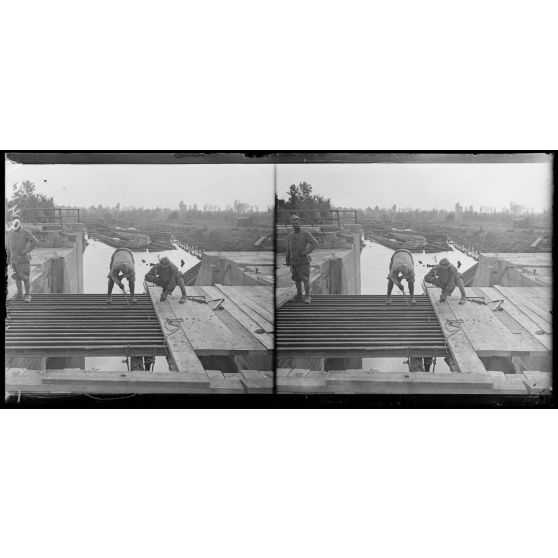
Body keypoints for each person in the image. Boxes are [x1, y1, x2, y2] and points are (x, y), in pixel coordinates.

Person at [285, 215, 319, 304]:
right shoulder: (290, 235)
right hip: (294, 262)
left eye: (297, 223)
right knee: (296, 280)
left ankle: (307, 296)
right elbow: (288, 249)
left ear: (300, 224)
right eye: (293, 224)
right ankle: (299, 296)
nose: (295, 225)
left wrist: (307, 251)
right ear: (291, 225)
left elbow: (315, 243)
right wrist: (287, 259)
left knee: (305, 279)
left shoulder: (305, 233)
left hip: (303, 261)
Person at [6, 222, 39, 302]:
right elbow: (9, 246)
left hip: (23, 260)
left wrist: (26, 251)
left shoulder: (25, 232)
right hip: (14, 260)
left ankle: (27, 295)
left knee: (25, 278)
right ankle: (20, 294)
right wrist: (8, 257)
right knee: (16, 278)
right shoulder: (11, 233)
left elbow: (35, 241)